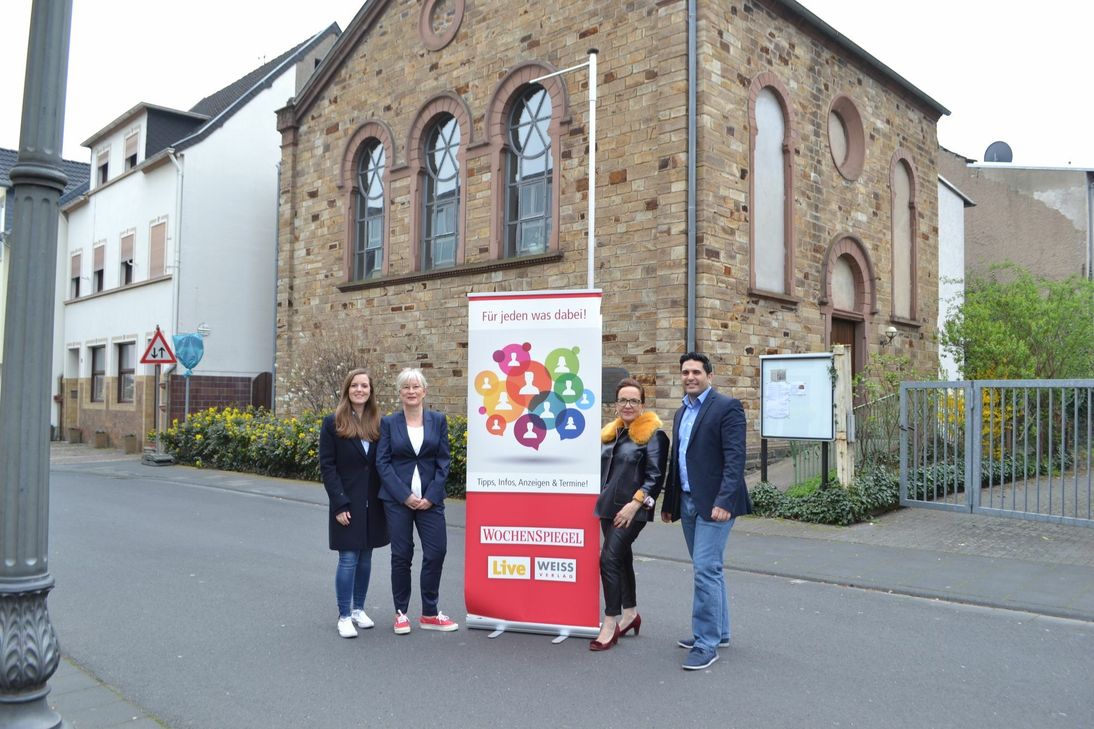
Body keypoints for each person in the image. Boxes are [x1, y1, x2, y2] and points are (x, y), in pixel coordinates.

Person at [661, 352, 752, 670]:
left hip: (715, 505)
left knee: (704, 570)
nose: (690, 377)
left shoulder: (727, 407)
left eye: (696, 372)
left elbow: (735, 458)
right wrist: (670, 503)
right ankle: (720, 632)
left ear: (709, 376)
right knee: (710, 569)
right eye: (685, 372)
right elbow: (679, 460)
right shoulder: (681, 412)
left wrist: (725, 501)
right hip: (687, 502)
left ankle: (706, 643)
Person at [377, 367, 458, 634]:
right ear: (399, 393)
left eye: (416, 387)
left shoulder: (438, 420)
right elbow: (383, 462)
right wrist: (405, 496)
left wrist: (431, 496)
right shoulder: (389, 423)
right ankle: (401, 613)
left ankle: (430, 613)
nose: (411, 391)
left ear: (424, 391)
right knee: (402, 555)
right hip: (397, 500)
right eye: (406, 387)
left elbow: (443, 461)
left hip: (431, 502)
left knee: (436, 552)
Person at [590, 378, 669, 651]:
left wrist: (635, 504)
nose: (628, 405)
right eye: (623, 400)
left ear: (642, 405)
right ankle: (631, 614)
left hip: (631, 510)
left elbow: (656, 477)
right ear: (615, 405)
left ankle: (609, 622)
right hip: (607, 508)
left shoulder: (653, 434)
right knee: (621, 559)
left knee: (607, 559)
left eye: (633, 400)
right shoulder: (611, 434)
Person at [318, 368, 390, 638]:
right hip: (346, 502)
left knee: (366, 556)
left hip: (374, 503)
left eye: (365, 386)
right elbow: (328, 467)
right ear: (347, 390)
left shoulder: (378, 423)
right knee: (348, 557)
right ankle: (344, 615)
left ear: (371, 391)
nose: (360, 390)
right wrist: (339, 504)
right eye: (355, 386)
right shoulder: (333, 422)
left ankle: (359, 609)